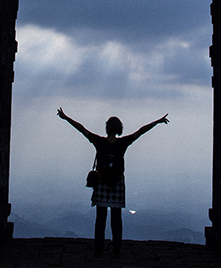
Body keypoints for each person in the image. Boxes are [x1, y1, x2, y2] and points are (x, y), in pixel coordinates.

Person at [57, 107, 169, 256]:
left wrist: (66, 117)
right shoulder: (122, 143)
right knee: (116, 219)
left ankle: (98, 250)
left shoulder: (99, 142)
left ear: (107, 128)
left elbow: (82, 129)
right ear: (119, 128)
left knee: (100, 219)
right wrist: (157, 122)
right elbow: (141, 131)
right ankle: (116, 249)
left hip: (102, 184)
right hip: (117, 185)